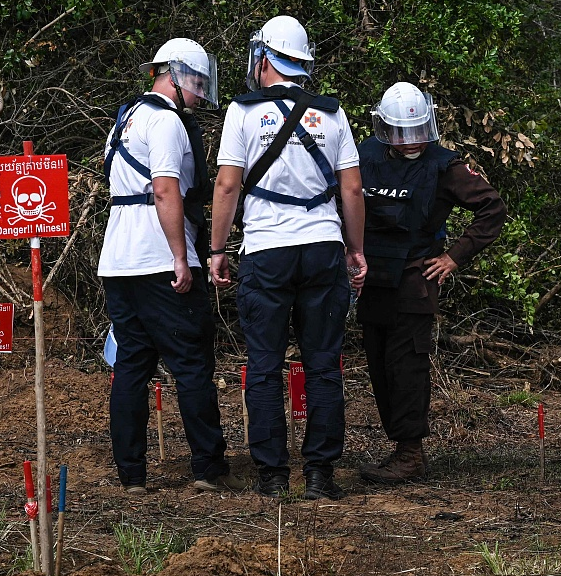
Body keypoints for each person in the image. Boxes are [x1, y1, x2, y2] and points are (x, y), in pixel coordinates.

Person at [209, 15, 367, 501]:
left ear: (263, 57)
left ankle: (272, 477)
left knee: (263, 366)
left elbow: (227, 184)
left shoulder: (242, 112)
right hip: (323, 248)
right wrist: (356, 248)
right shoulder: (333, 115)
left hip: (266, 252)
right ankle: (320, 475)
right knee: (323, 365)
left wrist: (217, 249)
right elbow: (352, 188)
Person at [99, 38, 244, 494]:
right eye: (198, 83)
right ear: (177, 76)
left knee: (130, 369)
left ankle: (132, 474)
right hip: (160, 259)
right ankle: (206, 467)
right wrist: (181, 256)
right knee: (192, 365)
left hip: (119, 260)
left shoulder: (123, 120)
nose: (202, 94)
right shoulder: (166, 123)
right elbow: (165, 190)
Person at [356, 82, 507, 484]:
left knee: (407, 369)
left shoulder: (445, 165)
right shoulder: (362, 156)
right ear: (383, 128)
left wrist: (454, 256)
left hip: (414, 282)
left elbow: (491, 208)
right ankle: (399, 448)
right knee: (379, 370)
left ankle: (410, 454)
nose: (410, 142)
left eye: (418, 131)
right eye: (401, 134)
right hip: (371, 281)